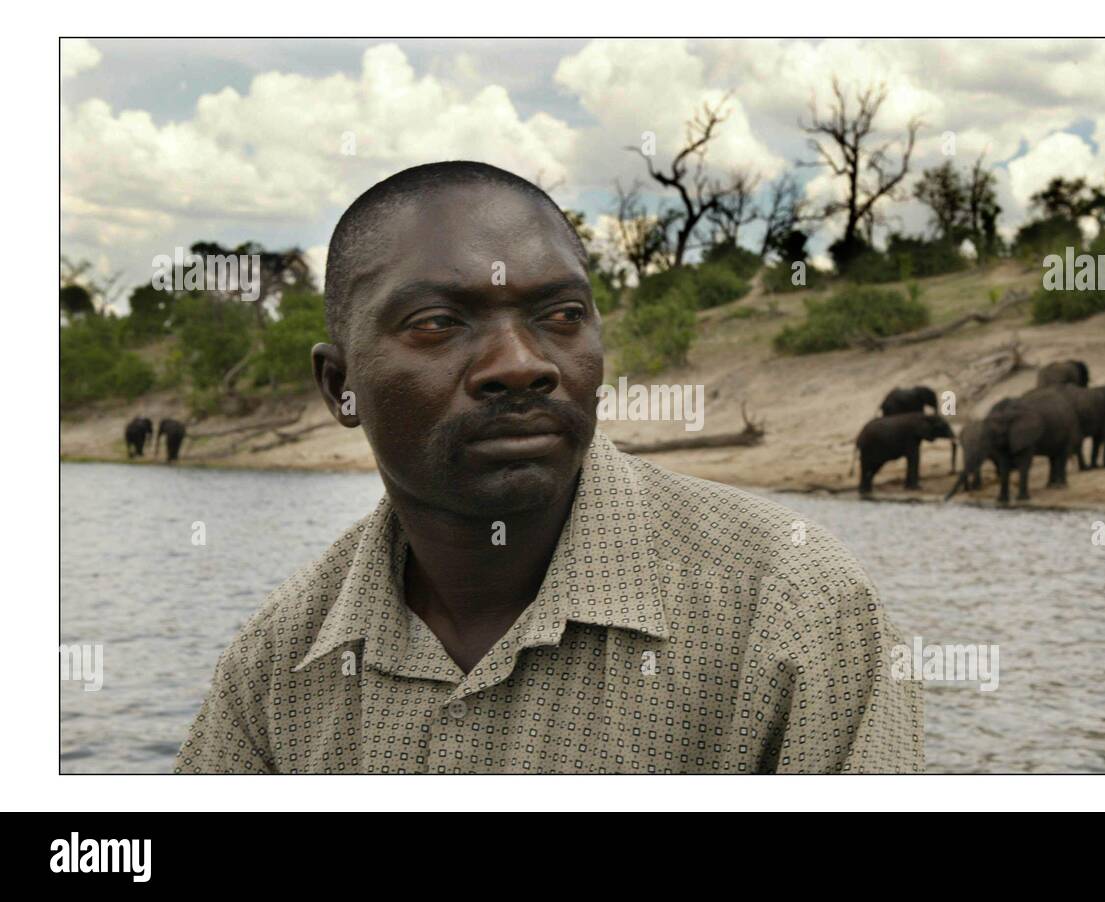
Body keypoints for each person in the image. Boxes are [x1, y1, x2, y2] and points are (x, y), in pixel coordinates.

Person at [175, 161, 923, 774]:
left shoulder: (791, 610)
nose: (522, 364)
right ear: (340, 386)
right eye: (439, 322)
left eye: (560, 316)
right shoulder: (280, 666)